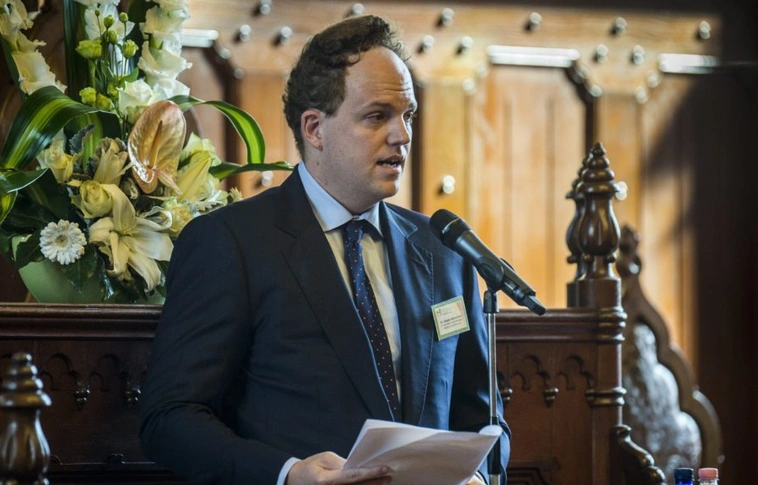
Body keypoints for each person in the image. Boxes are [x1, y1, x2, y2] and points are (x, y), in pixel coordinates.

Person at [140, 14, 510, 485]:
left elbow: (483, 418)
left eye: (408, 115)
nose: (402, 135)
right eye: (377, 116)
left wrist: (479, 478)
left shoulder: (443, 251)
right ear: (314, 128)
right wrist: (288, 473)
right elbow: (169, 419)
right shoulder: (231, 243)